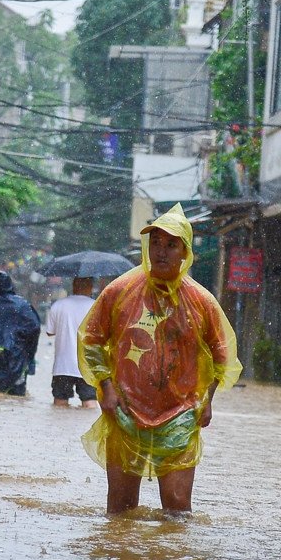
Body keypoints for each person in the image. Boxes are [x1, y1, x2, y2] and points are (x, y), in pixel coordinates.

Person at [79, 206, 239, 516]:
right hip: (126, 410)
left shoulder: (202, 302)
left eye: (171, 245)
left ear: (185, 252)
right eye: (156, 243)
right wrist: (106, 387)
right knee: (120, 513)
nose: (161, 252)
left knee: (178, 513)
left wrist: (208, 400)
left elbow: (222, 355)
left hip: (180, 414)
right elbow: (92, 339)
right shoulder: (120, 291)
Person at [44, 276, 98, 408]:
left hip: (63, 366)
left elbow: (50, 332)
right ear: (90, 287)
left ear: (73, 286)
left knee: (60, 401)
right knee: (90, 402)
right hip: (87, 366)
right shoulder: (96, 306)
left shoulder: (58, 305)